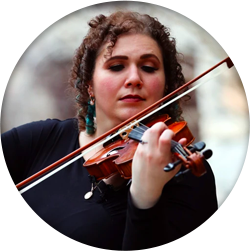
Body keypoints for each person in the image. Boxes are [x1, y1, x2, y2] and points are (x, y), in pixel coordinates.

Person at [0, 11, 217, 251]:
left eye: (148, 67)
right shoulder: (38, 141)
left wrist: (145, 198)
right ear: (90, 85)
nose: (134, 78)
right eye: (116, 66)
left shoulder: (188, 177)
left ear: (165, 86)